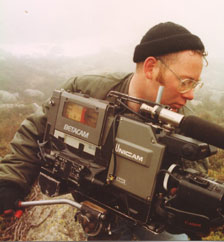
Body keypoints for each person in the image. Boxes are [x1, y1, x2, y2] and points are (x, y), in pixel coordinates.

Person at [0, 22, 208, 240]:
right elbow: (37, 128)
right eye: (185, 82)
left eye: (195, 84)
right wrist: (10, 182)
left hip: (149, 218)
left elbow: (195, 173)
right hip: (94, 208)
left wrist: (184, 203)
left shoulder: (182, 121)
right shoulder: (88, 92)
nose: (191, 95)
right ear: (150, 68)